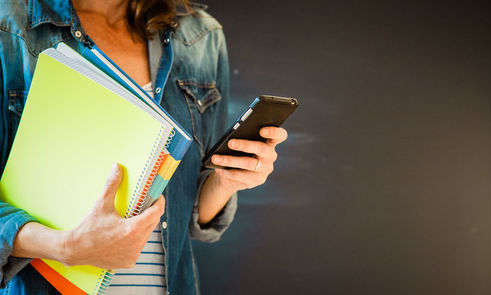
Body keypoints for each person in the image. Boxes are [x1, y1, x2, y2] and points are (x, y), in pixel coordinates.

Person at [0, 0, 288, 294]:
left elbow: (189, 217)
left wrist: (226, 180)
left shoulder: (201, 35)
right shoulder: (8, 26)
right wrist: (64, 247)